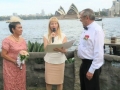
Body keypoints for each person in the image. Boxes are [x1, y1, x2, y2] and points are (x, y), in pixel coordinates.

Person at [77, 8, 104, 90]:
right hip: (84, 64)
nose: (80, 20)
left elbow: (99, 52)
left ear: (87, 18)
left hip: (91, 65)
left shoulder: (97, 30)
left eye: (81, 18)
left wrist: (91, 70)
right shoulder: (86, 29)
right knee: (84, 88)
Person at [1, 17, 27, 90]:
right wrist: (14, 61)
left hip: (21, 67)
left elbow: (25, 51)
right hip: (10, 67)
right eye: (19, 28)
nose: (21, 29)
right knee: (11, 84)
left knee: (21, 84)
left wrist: (24, 57)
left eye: (21, 27)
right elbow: (3, 54)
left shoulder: (23, 40)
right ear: (13, 29)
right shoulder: (7, 40)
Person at [43, 17, 67, 90]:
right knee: (48, 82)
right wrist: (50, 38)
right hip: (49, 61)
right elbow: (46, 49)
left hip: (60, 61)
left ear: (58, 25)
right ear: (49, 25)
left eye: (55, 23)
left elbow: (65, 50)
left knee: (59, 82)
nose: (54, 25)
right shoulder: (46, 36)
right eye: (52, 23)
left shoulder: (63, 36)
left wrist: (59, 49)